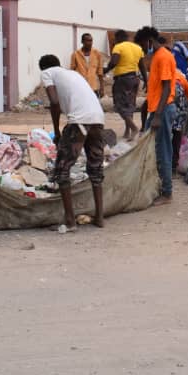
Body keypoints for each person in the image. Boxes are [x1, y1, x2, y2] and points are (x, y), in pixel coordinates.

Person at [39, 54, 106, 230]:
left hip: (79, 121)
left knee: (62, 170)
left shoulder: (47, 73)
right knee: (96, 169)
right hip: (98, 119)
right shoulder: (73, 74)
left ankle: (70, 221)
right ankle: (99, 217)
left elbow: (54, 102)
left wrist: (56, 131)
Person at [138, 27, 176, 204]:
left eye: (142, 45)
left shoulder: (163, 57)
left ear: (149, 41)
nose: (142, 50)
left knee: (162, 151)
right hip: (156, 110)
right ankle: (156, 186)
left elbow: (167, 87)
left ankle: (167, 192)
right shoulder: (156, 57)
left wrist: (158, 116)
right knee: (150, 148)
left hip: (163, 110)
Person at [104, 29, 146, 142]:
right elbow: (142, 66)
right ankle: (128, 132)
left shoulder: (118, 47)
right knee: (130, 105)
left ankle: (134, 128)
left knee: (119, 105)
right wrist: (146, 81)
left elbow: (114, 62)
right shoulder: (137, 48)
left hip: (122, 80)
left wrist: (105, 70)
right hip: (135, 79)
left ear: (117, 38)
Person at [69, 33, 105, 98]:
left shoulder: (97, 54)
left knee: (94, 106)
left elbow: (100, 71)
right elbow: (72, 72)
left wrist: (102, 88)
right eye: (87, 41)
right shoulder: (75, 54)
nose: (90, 43)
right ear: (82, 41)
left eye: (91, 40)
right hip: (80, 86)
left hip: (93, 87)